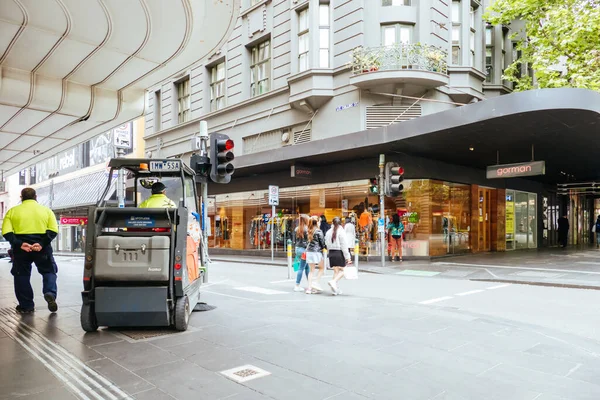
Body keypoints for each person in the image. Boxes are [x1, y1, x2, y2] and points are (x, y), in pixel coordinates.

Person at [1, 188, 59, 314]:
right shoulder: (46, 211)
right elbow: (53, 230)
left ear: (21, 197)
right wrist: (41, 243)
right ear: (35, 197)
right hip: (42, 247)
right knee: (49, 270)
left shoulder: (12, 211)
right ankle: (50, 292)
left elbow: (6, 232)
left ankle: (26, 305)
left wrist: (20, 244)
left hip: (21, 248)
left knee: (21, 275)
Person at [325, 217, 351, 295]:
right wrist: (348, 257)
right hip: (339, 252)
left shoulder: (328, 232)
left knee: (336, 271)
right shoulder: (341, 231)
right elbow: (344, 245)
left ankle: (335, 290)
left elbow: (327, 243)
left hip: (331, 253)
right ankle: (333, 281)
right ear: (341, 223)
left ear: (332, 223)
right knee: (344, 270)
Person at [305, 216, 326, 294]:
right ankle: (316, 282)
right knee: (321, 268)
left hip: (309, 252)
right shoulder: (319, 231)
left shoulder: (308, 230)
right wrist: (325, 248)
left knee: (311, 271)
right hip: (317, 252)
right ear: (317, 222)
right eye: (319, 221)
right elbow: (322, 243)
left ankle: (309, 288)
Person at [293, 214, 310, 292]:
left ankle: (310, 284)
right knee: (302, 267)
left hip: (297, 248)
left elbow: (294, 240)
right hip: (304, 249)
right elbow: (308, 241)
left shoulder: (297, 229)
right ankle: (297, 285)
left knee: (306, 267)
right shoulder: (307, 229)